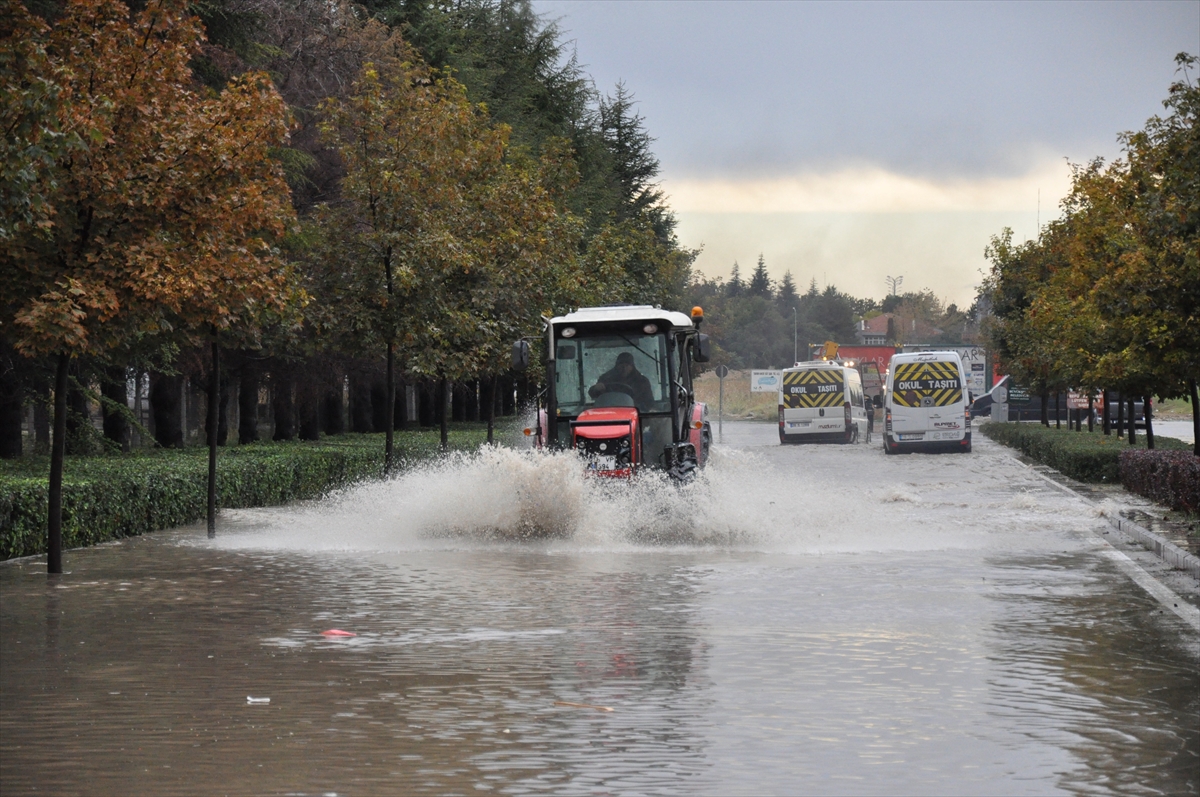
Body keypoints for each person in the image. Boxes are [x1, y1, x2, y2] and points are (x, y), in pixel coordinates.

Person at [589, 351, 654, 409]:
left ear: (632, 366)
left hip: (635, 413)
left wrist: (638, 407)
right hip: (609, 412)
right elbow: (593, 394)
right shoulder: (606, 378)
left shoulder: (642, 381)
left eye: (627, 365)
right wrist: (596, 388)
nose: (624, 368)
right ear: (617, 366)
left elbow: (649, 402)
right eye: (621, 364)